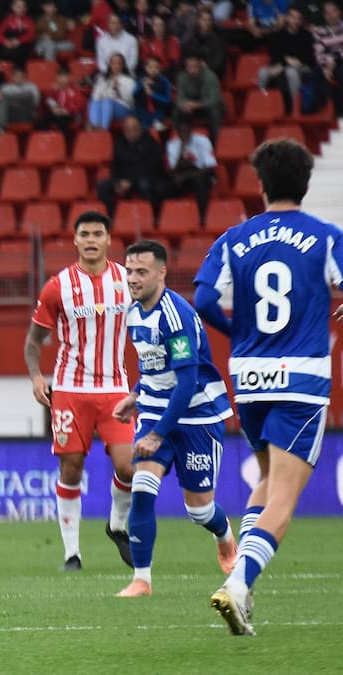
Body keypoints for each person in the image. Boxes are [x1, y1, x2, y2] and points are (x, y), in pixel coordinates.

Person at [193, 139, 343, 636]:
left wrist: (237, 331)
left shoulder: (234, 238)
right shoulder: (325, 236)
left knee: (266, 478)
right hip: (301, 378)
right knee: (284, 495)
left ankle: (242, 583)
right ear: (306, 184)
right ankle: (238, 584)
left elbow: (203, 298)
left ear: (260, 185)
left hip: (250, 378)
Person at [111, 240, 237, 598]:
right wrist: (136, 395)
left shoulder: (175, 316)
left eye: (142, 272)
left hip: (197, 413)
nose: (133, 279)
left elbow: (186, 382)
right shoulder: (134, 313)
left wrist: (158, 434)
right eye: (129, 271)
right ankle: (142, 580)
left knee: (200, 511)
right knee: (142, 489)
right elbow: (153, 365)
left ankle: (225, 536)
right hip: (154, 411)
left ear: (162, 273)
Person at [24, 211, 135, 571]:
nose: (90, 240)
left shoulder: (127, 280)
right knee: (71, 468)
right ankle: (72, 554)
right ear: (74, 240)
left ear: (108, 239)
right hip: (70, 389)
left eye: (97, 234)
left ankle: (116, 525)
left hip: (115, 389)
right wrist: (36, 376)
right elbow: (34, 340)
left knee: (129, 467)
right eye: (84, 234)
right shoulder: (58, 286)